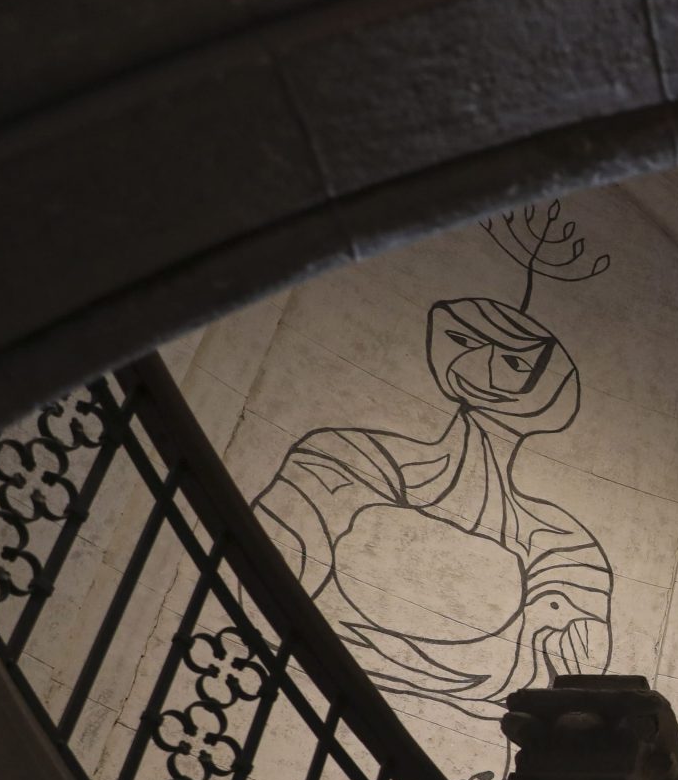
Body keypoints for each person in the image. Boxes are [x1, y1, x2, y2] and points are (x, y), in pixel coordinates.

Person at [254, 293, 613, 728]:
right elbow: (267, 591)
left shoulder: (568, 547)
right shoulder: (342, 455)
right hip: (284, 697)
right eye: (462, 340)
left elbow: (554, 692)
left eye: (514, 362)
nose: (478, 368)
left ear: (553, 387)